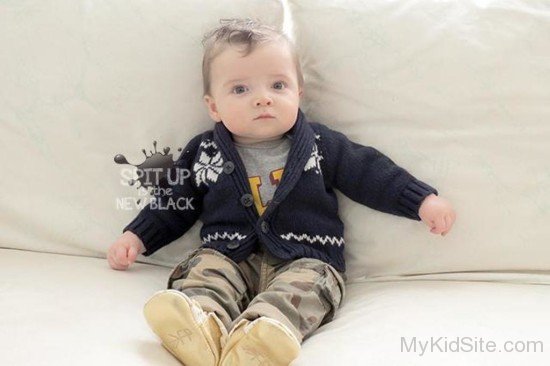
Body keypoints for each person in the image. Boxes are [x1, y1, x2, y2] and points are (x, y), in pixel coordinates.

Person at [107, 18, 456, 366]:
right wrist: (137, 236)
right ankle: (201, 326)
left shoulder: (320, 146)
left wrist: (421, 200)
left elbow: (370, 174)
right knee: (204, 272)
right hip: (228, 253)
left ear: (298, 94)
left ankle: (262, 336)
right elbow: (172, 204)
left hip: (307, 257)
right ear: (213, 106)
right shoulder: (205, 152)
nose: (262, 100)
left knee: (306, 290)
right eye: (241, 90)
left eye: (277, 85)